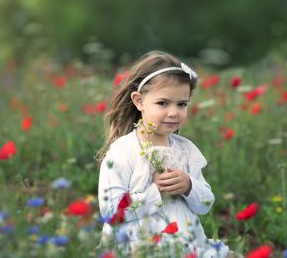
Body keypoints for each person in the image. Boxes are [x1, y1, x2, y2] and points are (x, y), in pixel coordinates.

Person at [97, 51, 234, 257]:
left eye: (182, 104)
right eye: (163, 103)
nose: (173, 112)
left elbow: (205, 204)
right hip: (140, 247)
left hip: (187, 245)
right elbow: (111, 213)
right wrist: (156, 192)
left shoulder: (185, 149)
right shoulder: (124, 150)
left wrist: (189, 185)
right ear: (139, 101)